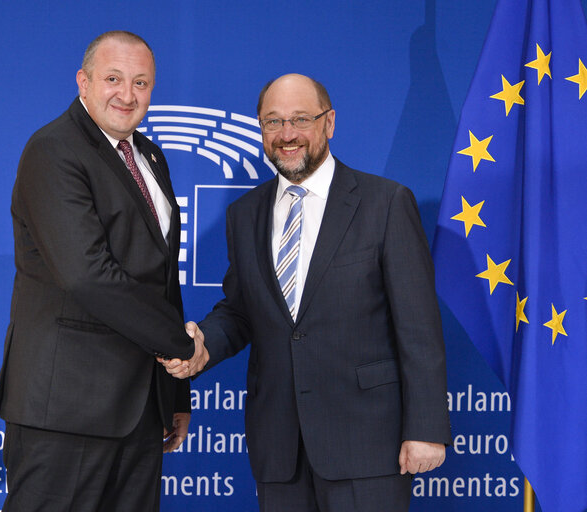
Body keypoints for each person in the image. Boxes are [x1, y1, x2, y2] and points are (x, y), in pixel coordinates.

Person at [161, 73, 451, 511]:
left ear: (328, 123)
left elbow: (419, 326)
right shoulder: (244, 214)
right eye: (273, 122)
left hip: (367, 444)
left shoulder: (386, 203)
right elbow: (241, 311)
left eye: (300, 119)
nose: (287, 135)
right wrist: (203, 347)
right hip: (279, 449)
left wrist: (426, 428)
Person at [0, 30, 207, 512]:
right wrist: (181, 347)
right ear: (83, 82)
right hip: (68, 411)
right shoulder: (54, 150)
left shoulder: (149, 156)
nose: (127, 95)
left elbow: (162, 280)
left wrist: (175, 392)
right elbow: (87, 274)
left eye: (141, 82)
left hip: (139, 411)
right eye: (113, 78)